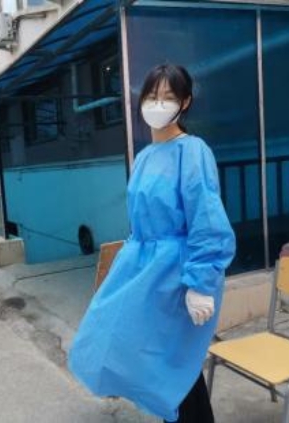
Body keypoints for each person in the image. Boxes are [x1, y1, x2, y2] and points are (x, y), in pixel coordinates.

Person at [68, 64, 236, 423]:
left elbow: (206, 217)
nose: (158, 104)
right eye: (152, 96)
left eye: (168, 97)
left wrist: (201, 282)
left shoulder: (192, 151)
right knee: (131, 348)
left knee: (174, 364)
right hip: (142, 267)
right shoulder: (145, 156)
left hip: (177, 274)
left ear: (185, 102)